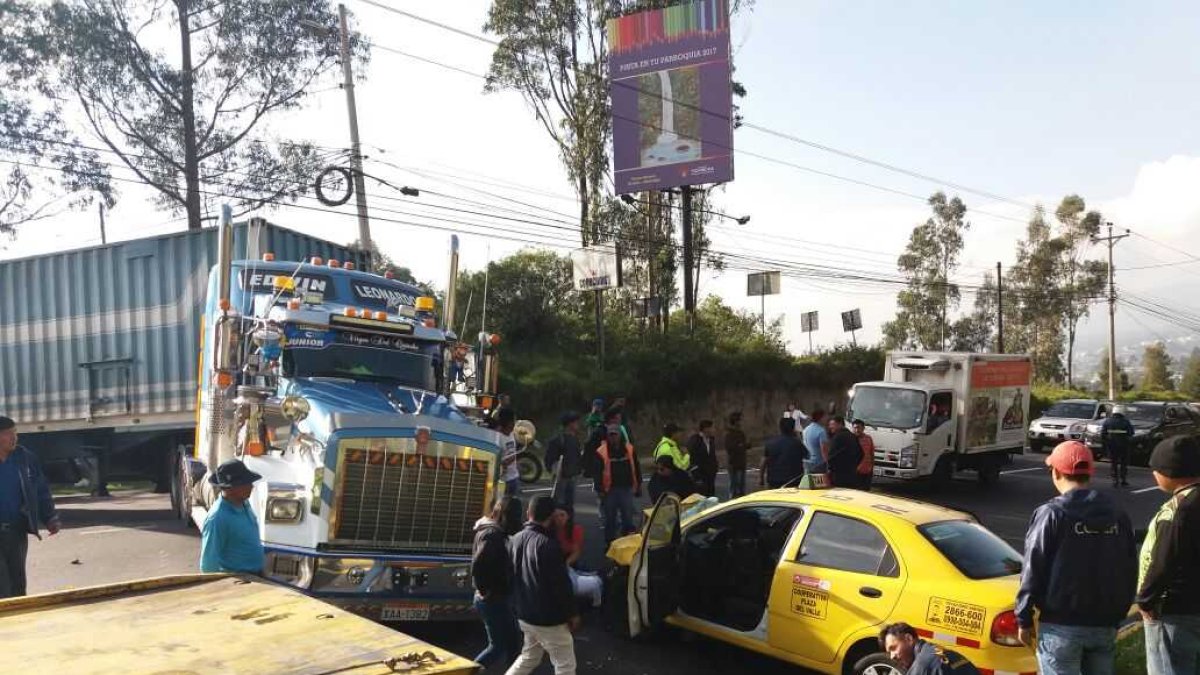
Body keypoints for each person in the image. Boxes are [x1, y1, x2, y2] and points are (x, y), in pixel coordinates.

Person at [1015, 440, 1137, 675]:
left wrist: (1024, 618)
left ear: (1057, 472)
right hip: (1104, 624)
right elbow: (1130, 566)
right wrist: (1118, 613)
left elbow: (1033, 568)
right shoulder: (1117, 513)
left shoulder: (1052, 513)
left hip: (1061, 625)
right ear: (1090, 472)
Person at [1136, 436, 1200, 675]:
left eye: (1155, 469)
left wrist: (1146, 600)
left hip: (1174, 612)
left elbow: (1164, 560)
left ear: (1169, 472)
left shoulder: (1179, 510)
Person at [505, 495, 579, 675]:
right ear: (552, 516)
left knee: (529, 657)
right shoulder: (548, 545)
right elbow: (561, 586)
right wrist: (572, 613)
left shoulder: (516, 539)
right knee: (565, 665)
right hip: (548, 618)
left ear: (528, 512)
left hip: (525, 613)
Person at [0, 416, 60, 598]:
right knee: (2, 585)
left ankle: (18, 622)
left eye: (15, 433)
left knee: (18, 584)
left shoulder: (24, 458)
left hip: (16, 531)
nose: (14, 438)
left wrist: (49, 517)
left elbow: (40, 489)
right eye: (8, 434)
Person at [473, 497, 522, 671]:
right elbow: (479, 565)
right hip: (493, 598)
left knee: (511, 643)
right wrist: (484, 590)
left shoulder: (489, 531)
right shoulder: (493, 535)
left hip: (496, 596)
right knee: (498, 646)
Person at [199, 459, 265, 574]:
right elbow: (208, 565)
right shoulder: (217, 518)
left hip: (255, 577)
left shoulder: (244, 503)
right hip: (238, 581)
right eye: (246, 483)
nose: (251, 486)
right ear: (231, 489)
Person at [596, 425, 642, 542]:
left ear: (620, 435)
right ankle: (610, 545)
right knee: (610, 520)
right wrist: (600, 489)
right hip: (609, 490)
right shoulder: (601, 451)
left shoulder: (629, 449)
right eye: (610, 435)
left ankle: (628, 544)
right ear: (607, 436)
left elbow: (636, 467)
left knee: (628, 519)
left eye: (615, 435)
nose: (613, 438)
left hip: (626, 488)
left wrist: (638, 485)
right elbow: (596, 472)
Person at [880, 622, 980, 675]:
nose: (892, 656)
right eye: (889, 652)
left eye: (893, 648)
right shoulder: (938, 651)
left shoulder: (922, 666)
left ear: (909, 639)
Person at [552, 505, 603, 608]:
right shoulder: (550, 530)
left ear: (568, 516)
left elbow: (577, 552)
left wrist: (565, 564)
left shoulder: (576, 529)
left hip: (570, 559)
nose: (559, 519)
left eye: (562, 515)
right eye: (556, 516)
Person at [545, 412, 582, 510]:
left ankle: (569, 523)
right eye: (575, 422)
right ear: (570, 424)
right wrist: (554, 472)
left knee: (569, 505)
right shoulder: (558, 440)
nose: (578, 424)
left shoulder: (575, 439)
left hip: (572, 477)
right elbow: (549, 459)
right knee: (559, 506)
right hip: (561, 479)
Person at [649, 423, 694, 502]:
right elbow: (681, 467)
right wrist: (687, 455)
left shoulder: (662, 445)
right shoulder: (668, 448)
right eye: (679, 432)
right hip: (671, 488)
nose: (681, 435)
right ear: (673, 434)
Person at [760, 417, 806, 489]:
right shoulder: (797, 443)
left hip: (774, 481)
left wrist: (761, 478)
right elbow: (807, 456)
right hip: (793, 481)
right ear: (793, 428)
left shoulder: (770, 443)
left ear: (780, 428)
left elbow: (763, 462)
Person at [826, 416, 864, 488]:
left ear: (840, 424)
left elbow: (831, 456)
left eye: (832, 424)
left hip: (839, 475)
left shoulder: (837, 437)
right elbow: (861, 454)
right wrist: (854, 466)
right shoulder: (852, 436)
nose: (830, 427)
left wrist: (830, 469)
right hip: (852, 474)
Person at [1101, 409, 1135, 488]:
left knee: (1114, 463)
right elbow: (1131, 433)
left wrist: (1106, 443)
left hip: (1112, 445)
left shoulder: (1107, 421)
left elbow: (1103, 434)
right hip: (1124, 445)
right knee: (1124, 463)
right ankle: (1123, 480)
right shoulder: (1126, 422)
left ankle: (1114, 480)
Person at [686, 420, 718, 497]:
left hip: (710, 474)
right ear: (706, 429)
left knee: (711, 496)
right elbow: (692, 458)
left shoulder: (711, 440)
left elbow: (712, 456)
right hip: (700, 475)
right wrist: (696, 475)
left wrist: (715, 467)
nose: (714, 430)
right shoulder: (695, 440)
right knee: (702, 497)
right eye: (712, 428)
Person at [723, 412, 750, 499]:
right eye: (739, 421)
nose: (741, 423)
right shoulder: (729, 434)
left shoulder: (741, 433)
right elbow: (730, 447)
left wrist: (742, 445)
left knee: (741, 486)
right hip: (733, 462)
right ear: (736, 422)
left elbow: (745, 445)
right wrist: (741, 446)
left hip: (741, 462)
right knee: (734, 485)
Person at [496, 408, 521, 497]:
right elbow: (495, 461)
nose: (515, 422)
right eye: (514, 420)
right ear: (508, 422)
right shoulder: (497, 438)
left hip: (514, 477)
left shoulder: (512, 434)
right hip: (503, 481)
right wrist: (506, 462)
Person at [802, 409, 830, 475]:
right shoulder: (821, 431)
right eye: (825, 417)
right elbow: (824, 450)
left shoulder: (805, 430)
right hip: (819, 464)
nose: (827, 419)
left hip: (807, 463)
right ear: (820, 418)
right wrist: (828, 465)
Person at [852, 419, 876, 491]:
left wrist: (872, 468)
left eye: (858, 427)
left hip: (867, 471)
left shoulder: (868, 438)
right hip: (855, 472)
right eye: (855, 428)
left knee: (866, 492)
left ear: (863, 428)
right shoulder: (851, 439)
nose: (856, 430)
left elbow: (871, 453)